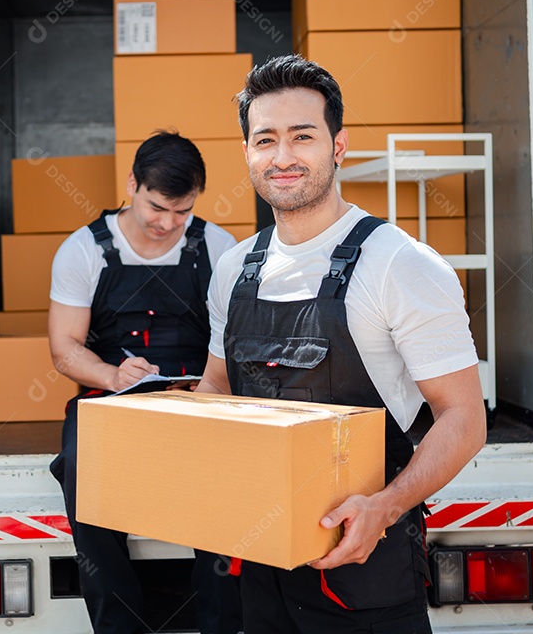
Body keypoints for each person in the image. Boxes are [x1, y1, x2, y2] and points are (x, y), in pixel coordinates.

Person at [195, 54, 487, 633]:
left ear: (338, 145)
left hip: (365, 571)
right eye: (265, 140)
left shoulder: (398, 264)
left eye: (302, 137)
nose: (282, 157)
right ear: (247, 152)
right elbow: (217, 388)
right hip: (261, 560)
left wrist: (383, 507)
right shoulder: (234, 269)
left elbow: (464, 417)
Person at [47, 131, 243, 634]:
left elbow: (237, 339)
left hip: (202, 395)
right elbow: (64, 348)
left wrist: (208, 388)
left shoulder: (219, 248)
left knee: (233, 485)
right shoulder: (82, 251)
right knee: (83, 479)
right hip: (108, 396)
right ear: (132, 184)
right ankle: (120, 626)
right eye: (158, 208)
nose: (168, 224)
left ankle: (220, 624)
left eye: (182, 212)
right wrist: (113, 375)